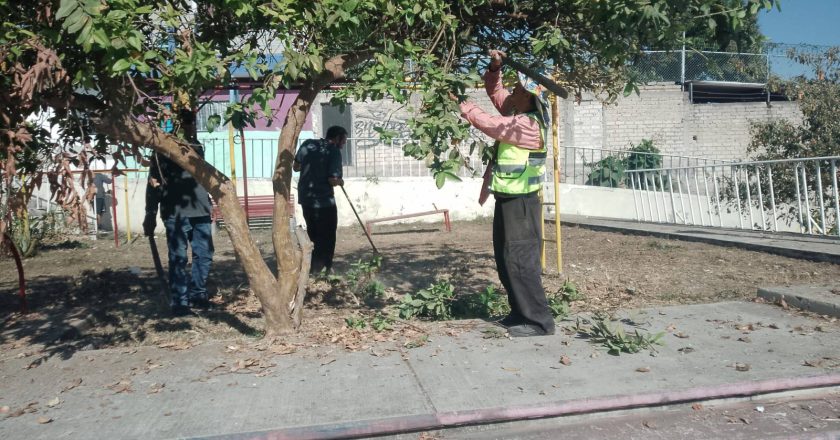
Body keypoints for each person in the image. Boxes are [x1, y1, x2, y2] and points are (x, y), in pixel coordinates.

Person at [452, 50, 555, 337]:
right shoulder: (519, 112)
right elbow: (496, 93)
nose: (514, 93)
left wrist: (464, 105)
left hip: (522, 202)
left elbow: (491, 124)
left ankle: (538, 321)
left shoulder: (527, 125)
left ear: (530, 98)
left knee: (521, 259)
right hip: (508, 199)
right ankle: (519, 312)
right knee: (506, 257)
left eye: (519, 90)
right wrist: (495, 67)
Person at [143, 109, 214, 317]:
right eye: (185, 123)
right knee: (178, 257)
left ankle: (198, 294)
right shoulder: (161, 151)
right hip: (175, 212)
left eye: (191, 122)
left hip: (200, 210)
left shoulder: (197, 148)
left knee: (205, 255)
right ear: (176, 125)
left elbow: (204, 179)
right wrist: (150, 212)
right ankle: (180, 302)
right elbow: (153, 183)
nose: (190, 126)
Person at [293, 126, 347, 275]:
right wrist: (340, 182)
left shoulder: (308, 144)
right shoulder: (333, 151)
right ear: (336, 138)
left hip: (306, 199)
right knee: (327, 237)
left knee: (313, 233)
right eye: (344, 141)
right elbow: (333, 179)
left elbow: (296, 166)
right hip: (324, 202)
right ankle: (323, 269)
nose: (343, 144)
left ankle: (312, 268)